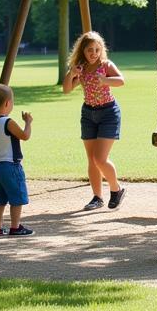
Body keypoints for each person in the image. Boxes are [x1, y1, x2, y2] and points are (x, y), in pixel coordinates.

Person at [62, 31, 126, 211]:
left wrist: (105, 80)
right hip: (88, 114)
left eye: (97, 50)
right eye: (90, 50)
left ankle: (116, 189)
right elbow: (66, 89)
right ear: (82, 51)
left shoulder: (105, 65)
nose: (94, 54)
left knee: (100, 158)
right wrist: (71, 73)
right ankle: (97, 198)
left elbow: (121, 81)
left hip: (108, 113)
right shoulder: (80, 68)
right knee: (91, 159)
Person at [0, 83, 34, 237]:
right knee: (16, 198)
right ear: (7, 103)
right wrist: (28, 122)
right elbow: (25, 136)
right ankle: (15, 227)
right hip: (11, 165)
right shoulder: (8, 122)